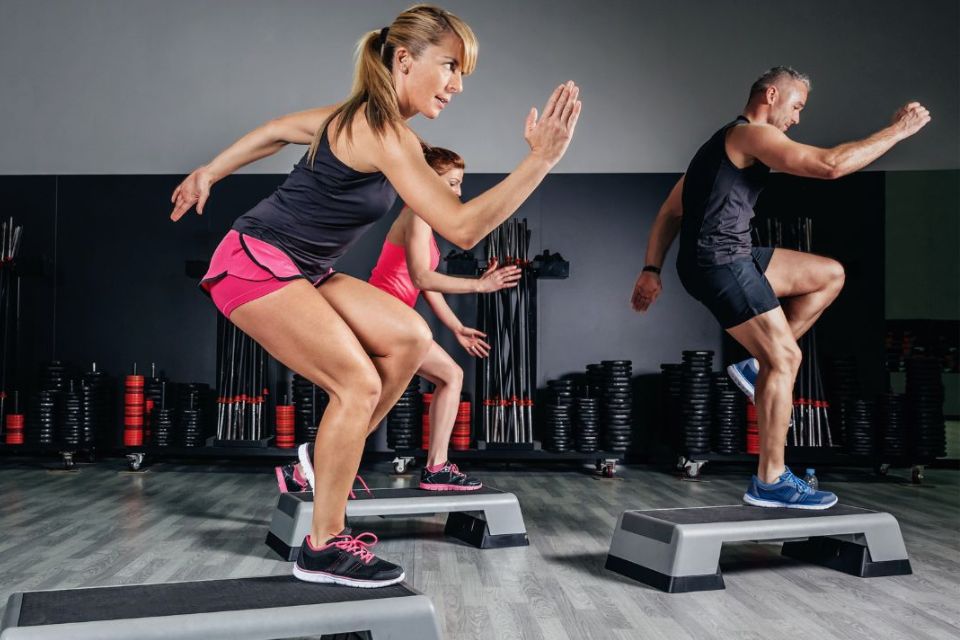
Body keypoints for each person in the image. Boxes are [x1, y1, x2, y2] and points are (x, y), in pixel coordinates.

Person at [170, 4, 580, 587]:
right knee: (357, 383)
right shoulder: (384, 132)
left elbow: (277, 129)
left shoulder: (369, 123)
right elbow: (461, 228)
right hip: (254, 263)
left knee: (411, 338)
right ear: (405, 59)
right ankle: (322, 545)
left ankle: (321, 462)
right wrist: (539, 161)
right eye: (449, 66)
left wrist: (212, 169)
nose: (457, 85)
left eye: (463, 73)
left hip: (307, 268)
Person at [631, 66, 929, 509]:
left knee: (829, 274)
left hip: (730, 254)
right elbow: (830, 166)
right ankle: (769, 479)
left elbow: (670, 213)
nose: (797, 118)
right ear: (771, 95)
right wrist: (898, 131)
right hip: (718, 261)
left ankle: (757, 369)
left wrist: (651, 268)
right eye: (796, 106)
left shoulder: (716, 147)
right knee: (786, 357)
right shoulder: (749, 135)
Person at [276, 144, 521, 494]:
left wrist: (455, 326)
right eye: (451, 183)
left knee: (410, 389)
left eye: (460, 183)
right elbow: (422, 277)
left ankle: (301, 471)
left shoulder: (425, 220)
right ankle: (431, 468)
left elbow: (424, 285)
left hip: (394, 321)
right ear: (428, 181)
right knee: (424, 384)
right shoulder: (417, 216)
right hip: (380, 318)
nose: (459, 191)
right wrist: (479, 286)